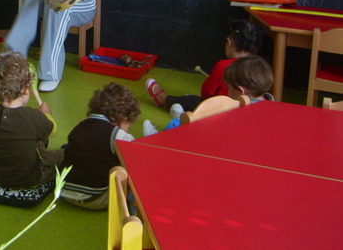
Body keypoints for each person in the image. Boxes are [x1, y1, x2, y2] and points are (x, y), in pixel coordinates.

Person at [0, 53, 63, 188]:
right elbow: (53, 129)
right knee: (62, 155)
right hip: (29, 178)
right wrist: (47, 114)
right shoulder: (33, 117)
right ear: (26, 89)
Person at [146, 19, 263, 114]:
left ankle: (164, 99)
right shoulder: (261, 67)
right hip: (251, 112)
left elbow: (206, 93)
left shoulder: (223, 66)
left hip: (223, 111)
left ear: (229, 42)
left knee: (192, 100)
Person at [143, 55, 275, 135]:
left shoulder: (239, 111)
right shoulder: (270, 102)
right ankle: (180, 118)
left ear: (240, 91)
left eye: (228, 88)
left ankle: (162, 136)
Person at [60, 83, 141, 210]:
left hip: (64, 191)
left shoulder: (79, 126)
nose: (127, 130)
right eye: (128, 126)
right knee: (131, 169)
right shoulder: (118, 135)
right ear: (123, 119)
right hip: (96, 198)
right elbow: (138, 159)